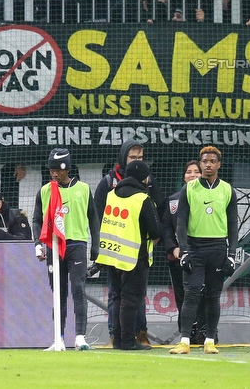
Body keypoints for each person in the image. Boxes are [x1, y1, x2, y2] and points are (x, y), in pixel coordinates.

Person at [94, 140, 164, 347]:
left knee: (119, 298)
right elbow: (155, 227)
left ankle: (125, 337)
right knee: (131, 298)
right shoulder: (136, 195)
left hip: (112, 253)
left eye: (139, 157)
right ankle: (125, 339)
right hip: (135, 254)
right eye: (133, 157)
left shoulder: (113, 194)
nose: (137, 161)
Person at [170, 146, 239, 355]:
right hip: (195, 247)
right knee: (191, 294)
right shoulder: (189, 189)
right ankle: (184, 341)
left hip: (218, 248)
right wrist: (184, 251)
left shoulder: (227, 190)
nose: (208, 165)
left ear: (219, 164)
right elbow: (180, 223)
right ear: (200, 164)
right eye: (204, 161)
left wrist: (232, 254)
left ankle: (209, 340)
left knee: (213, 295)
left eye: (212, 161)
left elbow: (233, 225)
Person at [32, 148, 100, 352]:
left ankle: (80, 337)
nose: (54, 174)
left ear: (67, 168)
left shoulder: (83, 189)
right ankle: (58, 338)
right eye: (51, 170)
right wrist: (37, 243)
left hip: (77, 244)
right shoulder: (45, 191)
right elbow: (37, 219)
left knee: (78, 290)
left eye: (58, 170)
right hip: (53, 245)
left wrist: (96, 245)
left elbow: (93, 218)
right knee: (58, 294)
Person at [161, 161, 207, 340]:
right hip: (178, 257)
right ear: (183, 176)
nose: (193, 175)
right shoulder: (173, 200)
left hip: (203, 255)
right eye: (189, 172)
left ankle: (205, 331)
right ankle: (186, 332)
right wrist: (173, 249)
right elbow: (165, 228)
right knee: (182, 295)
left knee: (205, 294)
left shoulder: (210, 197)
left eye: (197, 172)